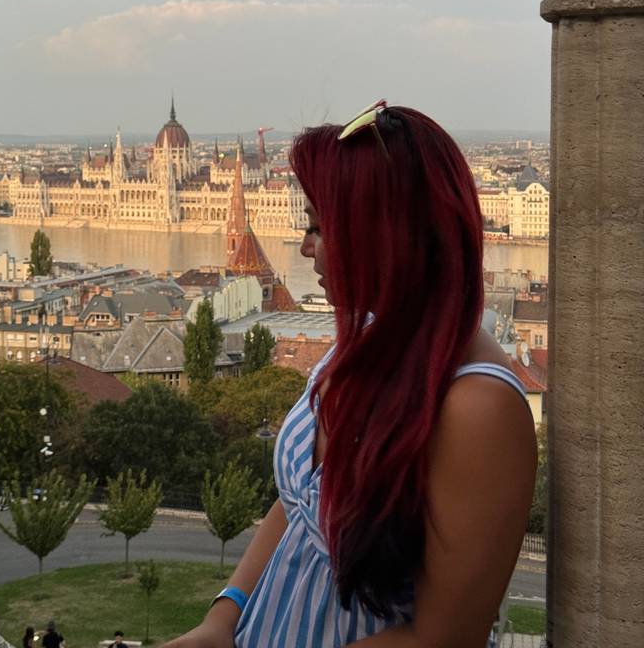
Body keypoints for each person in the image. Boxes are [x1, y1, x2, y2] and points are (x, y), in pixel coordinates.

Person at [165, 103, 537, 648]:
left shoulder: (476, 408)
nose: (304, 247)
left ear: (384, 235)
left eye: (320, 226)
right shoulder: (363, 338)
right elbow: (300, 505)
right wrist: (223, 620)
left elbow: (443, 639)